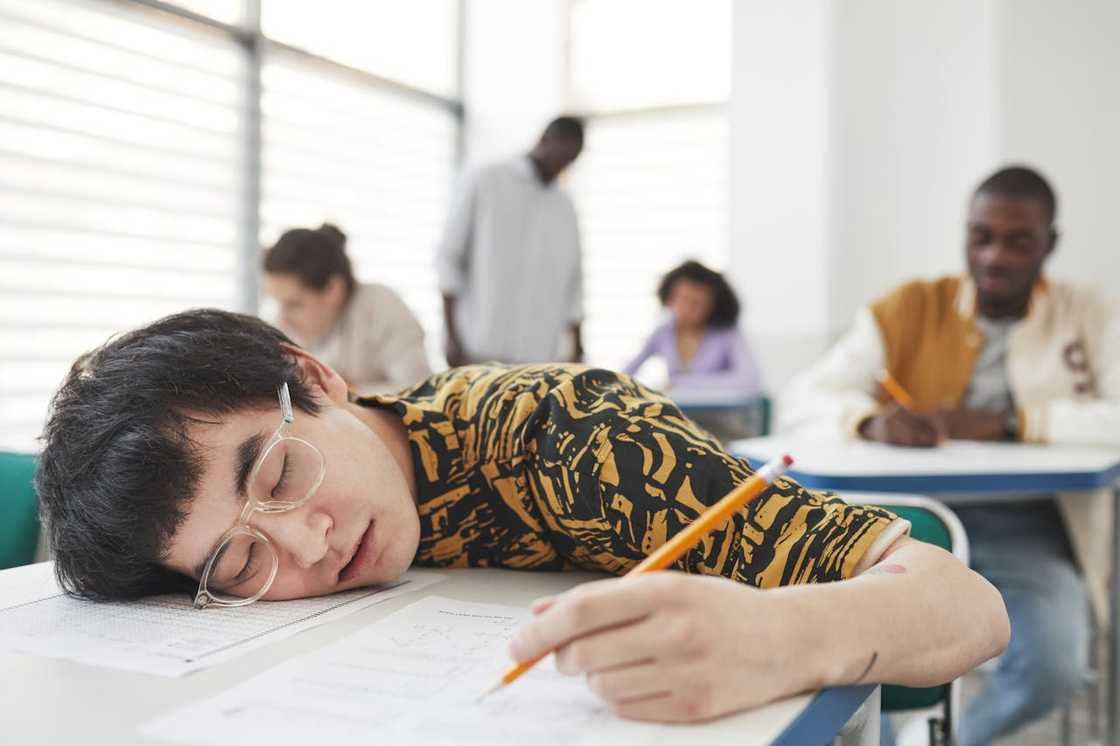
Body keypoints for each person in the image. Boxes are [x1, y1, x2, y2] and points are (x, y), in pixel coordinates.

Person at [37, 308, 1007, 723]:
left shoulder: (569, 437)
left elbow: (965, 601)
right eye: (241, 562)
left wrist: (780, 634)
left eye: (281, 471)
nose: (307, 541)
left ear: (314, 374)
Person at [779, 165, 1120, 745]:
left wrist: (1014, 422)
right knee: (864, 661)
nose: (995, 257)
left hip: (1031, 529)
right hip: (906, 523)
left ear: (1050, 245)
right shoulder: (911, 308)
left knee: (1055, 665)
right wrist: (869, 420)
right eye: (981, 237)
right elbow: (801, 397)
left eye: (1019, 241)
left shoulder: (1088, 314)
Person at [437, 116, 585, 367]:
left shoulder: (565, 206)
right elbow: (450, 257)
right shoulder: (486, 180)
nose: (562, 167)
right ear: (544, 140)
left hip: (536, 360)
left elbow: (574, 282)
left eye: (570, 161)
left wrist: (577, 348)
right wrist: (451, 336)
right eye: (560, 157)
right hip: (476, 351)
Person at [263, 223, 432, 394]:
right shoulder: (286, 326)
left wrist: (346, 393)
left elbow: (418, 391)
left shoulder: (382, 307)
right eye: (278, 304)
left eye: (294, 304)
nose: (283, 318)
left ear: (333, 289)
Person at [624, 260, 763, 398]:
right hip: (678, 415)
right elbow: (626, 373)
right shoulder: (662, 332)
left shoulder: (727, 332)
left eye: (698, 303)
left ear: (712, 305)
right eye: (684, 300)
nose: (689, 309)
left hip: (720, 415)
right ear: (669, 299)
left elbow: (749, 381)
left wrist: (681, 383)